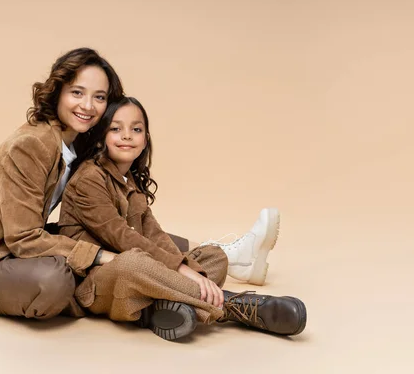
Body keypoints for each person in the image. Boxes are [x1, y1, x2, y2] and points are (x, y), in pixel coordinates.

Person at [58, 96, 307, 340]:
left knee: (214, 256)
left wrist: (191, 269)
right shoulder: (90, 179)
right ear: (102, 136)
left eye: (136, 129)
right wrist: (183, 270)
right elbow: (122, 238)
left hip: (143, 280)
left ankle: (161, 309)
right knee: (133, 262)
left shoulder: (129, 181)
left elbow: (154, 234)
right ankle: (232, 306)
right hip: (100, 284)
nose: (127, 136)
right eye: (116, 129)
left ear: (145, 140)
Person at [0, 47, 124, 319]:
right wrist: (98, 255)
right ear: (58, 92)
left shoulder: (77, 145)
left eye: (99, 97)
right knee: (54, 280)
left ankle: (163, 284)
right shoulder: (30, 145)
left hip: (24, 252)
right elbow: (23, 239)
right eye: (77, 93)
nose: (88, 106)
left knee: (131, 244)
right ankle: (124, 296)